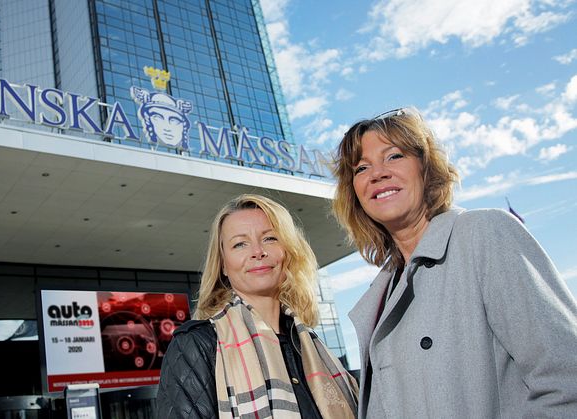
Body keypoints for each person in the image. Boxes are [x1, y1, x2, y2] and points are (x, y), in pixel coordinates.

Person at [330, 107, 577, 418]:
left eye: (394, 156)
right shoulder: (381, 294)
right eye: (361, 168)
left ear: (426, 167)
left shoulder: (483, 234)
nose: (377, 173)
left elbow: (567, 380)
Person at [156, 194, 358, 418]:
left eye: (270, 239)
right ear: (223, 264)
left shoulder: (313, 348)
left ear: (287, 251)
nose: (257, 251)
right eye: (240, 244)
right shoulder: (196, 345)